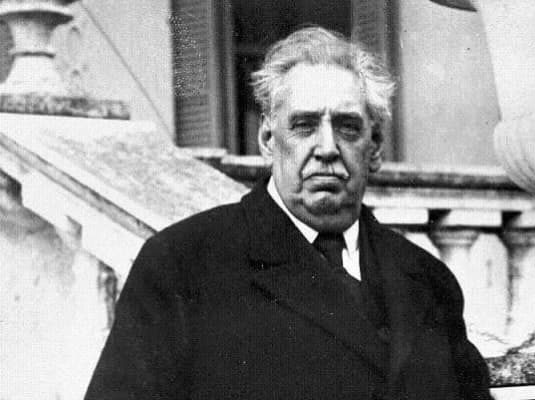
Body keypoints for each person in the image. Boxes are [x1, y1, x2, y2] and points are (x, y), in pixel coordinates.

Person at [85, 27, 491, 400]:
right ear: (267, 139)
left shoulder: (428, 282)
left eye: (348, 127)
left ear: (376, 147)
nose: (327, 148)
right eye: (304, 125)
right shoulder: (182, 266)